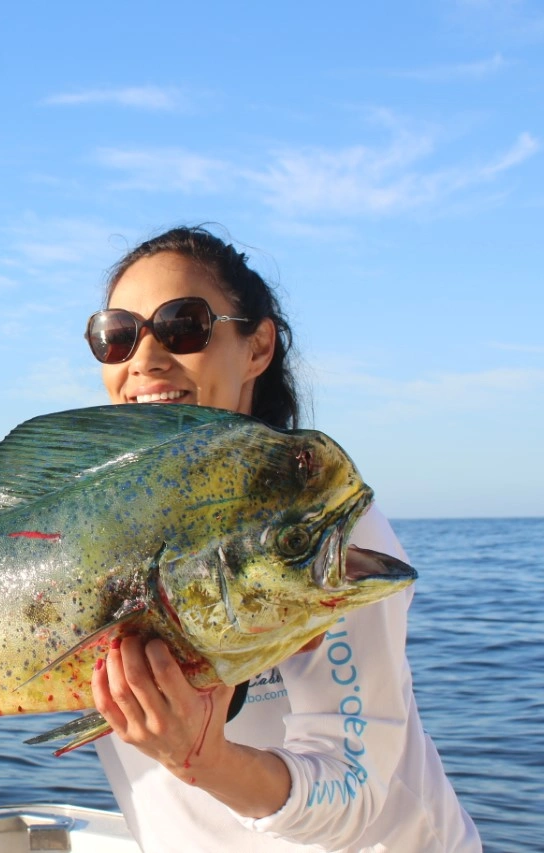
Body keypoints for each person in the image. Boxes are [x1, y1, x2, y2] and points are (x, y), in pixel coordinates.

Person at [84, 226, 480, 851]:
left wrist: (205, 760)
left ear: (258, 346)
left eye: (183, 325)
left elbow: (357, 792)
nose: (146, 358)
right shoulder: (91, 535)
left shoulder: (313, 530)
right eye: (118, 335)